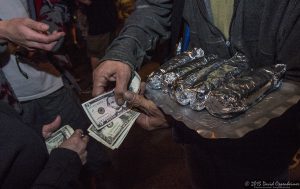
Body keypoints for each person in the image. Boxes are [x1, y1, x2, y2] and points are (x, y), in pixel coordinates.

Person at [92, 0, 300, 188]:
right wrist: (123, 51)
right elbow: (156, 6)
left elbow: (293, 82)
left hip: (265, 148)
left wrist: (183, 121)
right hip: (198, 149)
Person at [0, 0, 109, 184]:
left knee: (94, 158)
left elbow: (57, 5)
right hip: (9, 108)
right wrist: (4, 31)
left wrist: (49, 30)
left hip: (52, 83)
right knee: (35, 171)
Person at [77, 0, 118, 70]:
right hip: (98, 27)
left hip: (109, 24)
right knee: (96, 55)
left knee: (112, 52)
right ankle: (99, 79)